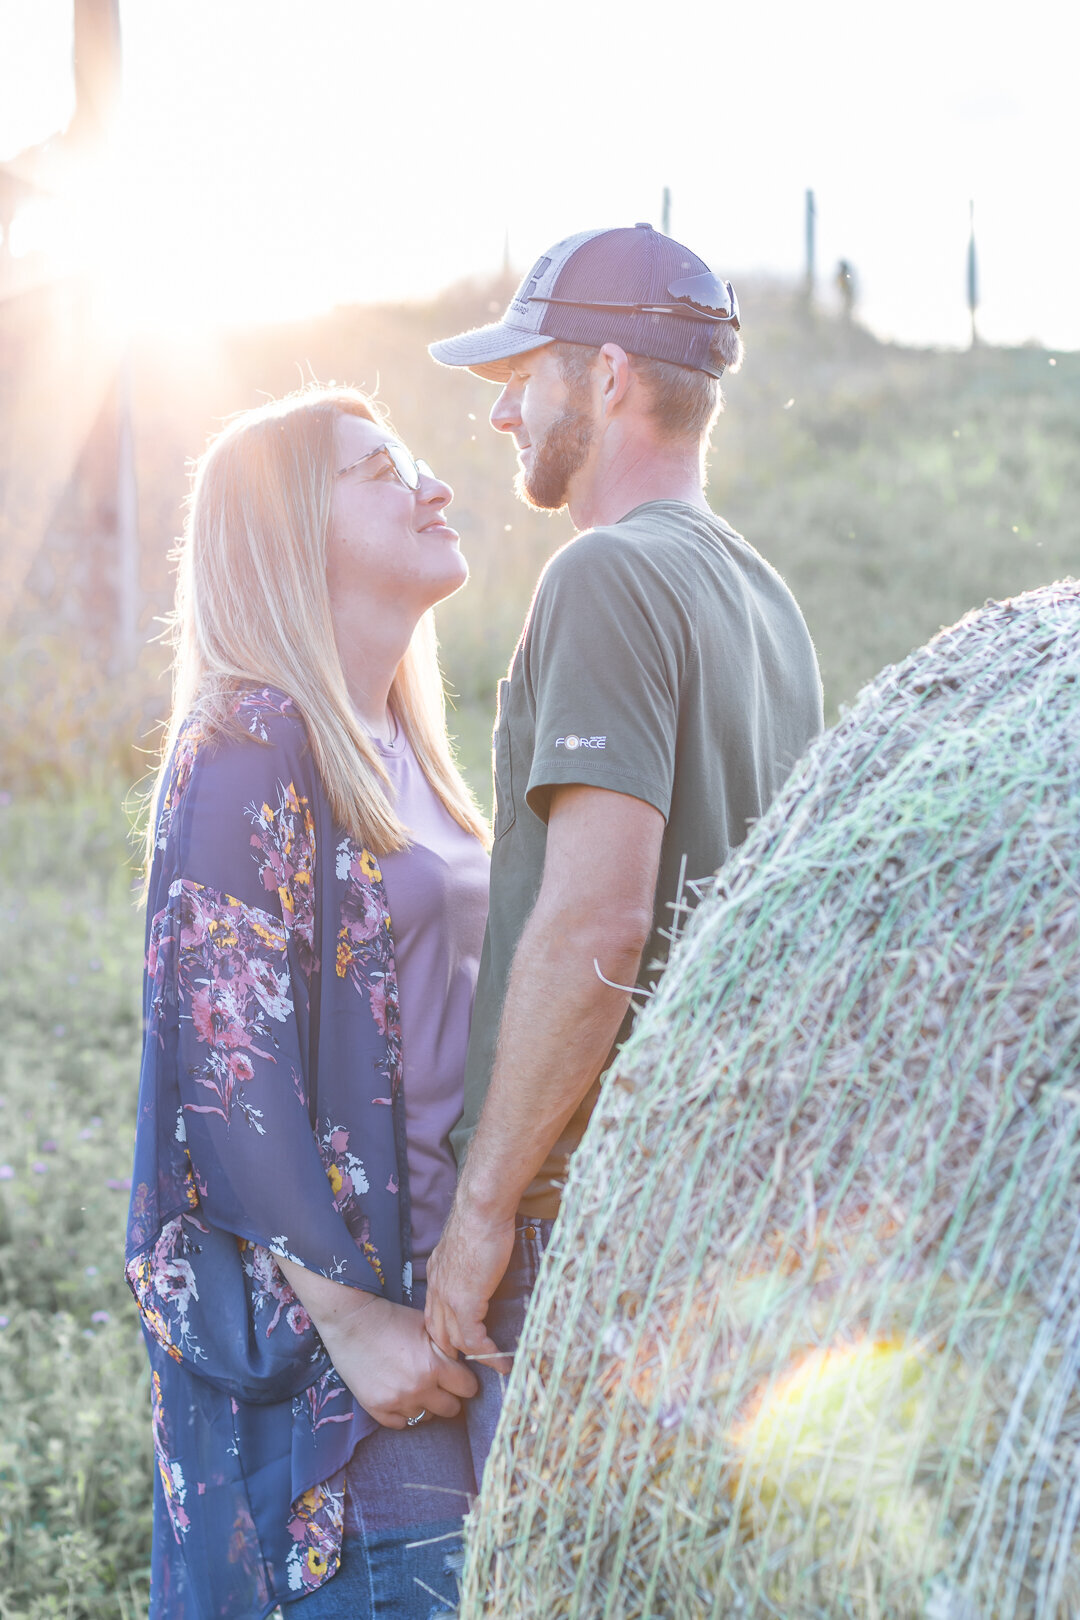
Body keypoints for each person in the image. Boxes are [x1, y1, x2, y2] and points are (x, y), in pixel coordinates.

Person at [422, 223, 825, 1471]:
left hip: (587, 1229)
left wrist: (485, 1212)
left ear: (605, 376)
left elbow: (600, 920)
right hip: (715, 1215)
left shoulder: (605, 575)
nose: (501, 420)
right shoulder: (768, 600)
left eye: (521, 378)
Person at [124, 385, 492, 1619]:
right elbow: (222, 1064)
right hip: (351, 1375)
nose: (431, 483)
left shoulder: (403, 744)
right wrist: (356, 1326)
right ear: (288, 534)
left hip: (453, 1317)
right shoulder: (248, 742)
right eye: (382, 469)